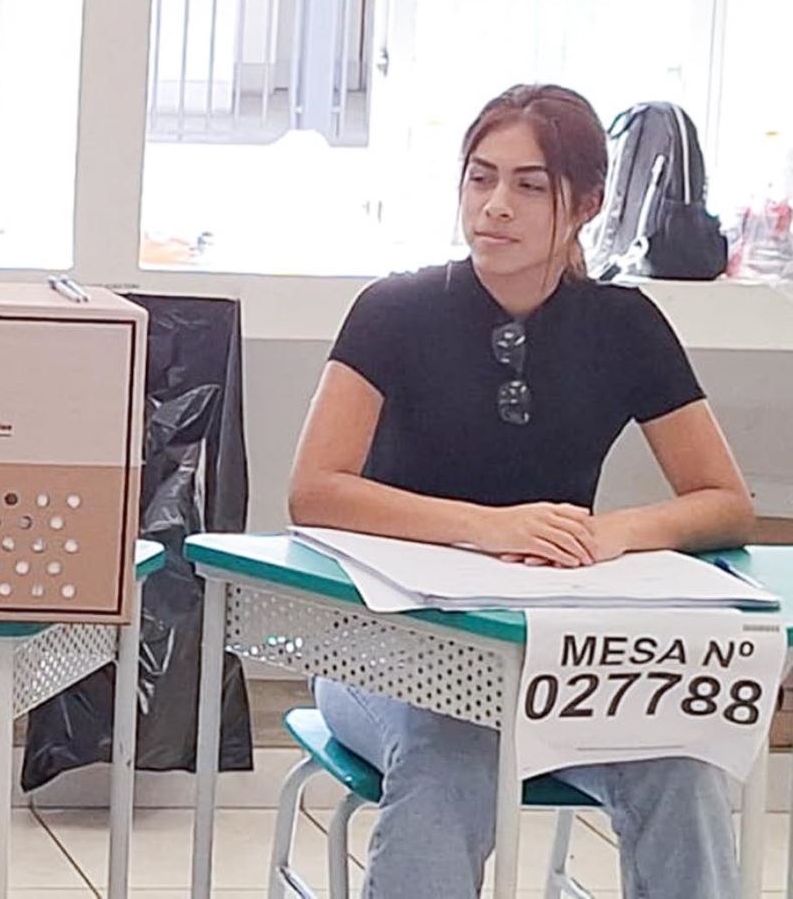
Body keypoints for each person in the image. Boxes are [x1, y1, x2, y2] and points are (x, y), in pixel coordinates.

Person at [288, 83, 756, 898]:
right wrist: (483, 527)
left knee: (682, 761)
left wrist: (614, 533)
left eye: (529, 185)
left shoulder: (626, 326)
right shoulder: (392, 311)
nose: (495, 206)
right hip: (386, 651)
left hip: (558, 656)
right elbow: (316, 491)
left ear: (587, 203)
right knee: (453, 751)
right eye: (480, 178)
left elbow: (723, 500)